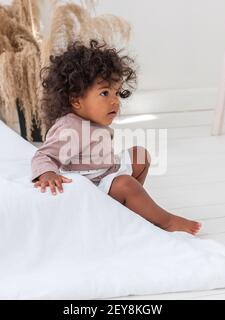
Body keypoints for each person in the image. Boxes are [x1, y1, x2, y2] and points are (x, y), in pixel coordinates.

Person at [31, 40, 202, 235]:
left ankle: (132, 209)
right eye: (105, 93)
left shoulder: (92, 120)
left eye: (116, 93)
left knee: (140, 155)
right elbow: (43, 156)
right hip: (93, 187)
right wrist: (48, 174)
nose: (114, 100)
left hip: (106, 173)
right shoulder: (69, 126)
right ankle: (166, 221)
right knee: (125, 184)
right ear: (76, 100)